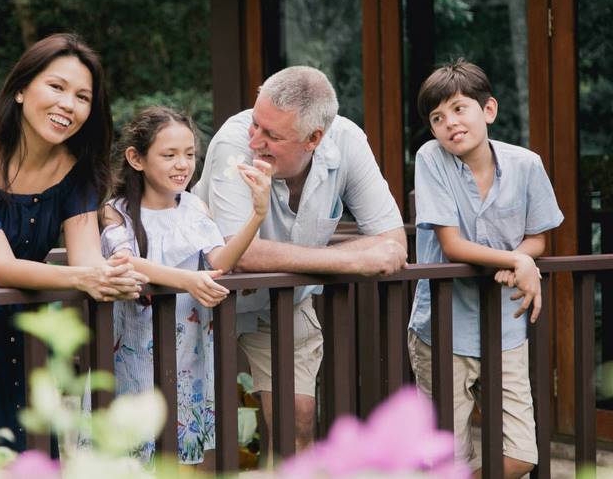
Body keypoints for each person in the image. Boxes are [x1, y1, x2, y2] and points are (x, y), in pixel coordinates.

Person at [0, 33, 148, 451]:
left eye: (82, 97)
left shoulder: (77, 170)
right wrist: (85, 277)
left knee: (32, 451)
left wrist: (113, 274)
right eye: (56, 87)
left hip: (23, 327)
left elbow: (86, 257)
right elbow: (0, 266)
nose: (68, 105)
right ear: (20, 89)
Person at [193, 66, 408, 451]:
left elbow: (392, 242)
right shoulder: (232, 143)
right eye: (256, 123)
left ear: (314, 139)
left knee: (298, 419)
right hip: (202, 296)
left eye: (272, 135)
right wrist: (350, 261)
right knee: (202, 432)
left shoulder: (348, 141)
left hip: (284, 301)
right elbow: (243, 254)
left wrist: (309, 260)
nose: (255, 140)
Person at [407, 59, 563, 477]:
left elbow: (538, 236)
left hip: (505, 329)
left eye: (459, 109)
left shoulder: (526, 164)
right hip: (442, 330)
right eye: (437, 118)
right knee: (446, 459)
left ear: (488, 110)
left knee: (522, 455)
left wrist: (523, 256)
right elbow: (452, 244)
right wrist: (516, 259)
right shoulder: (431, 158)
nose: (450, 123)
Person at [99, 106, 271, 465]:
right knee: (134, 450)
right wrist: (188, 281)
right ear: (136, 158)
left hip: (187, 349)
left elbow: (220, 261)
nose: (182, 164)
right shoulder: (117, 211)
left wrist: (257, 215)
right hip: (133, 348)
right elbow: (125, 261)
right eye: (169, 155)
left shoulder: (195, 207)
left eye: (190, 154)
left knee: (181, 451)